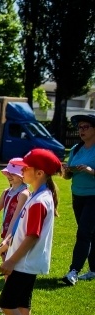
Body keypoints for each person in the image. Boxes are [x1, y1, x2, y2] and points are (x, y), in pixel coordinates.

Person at [0, 148, 61, 315]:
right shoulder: (39, 195)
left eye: (26, 168)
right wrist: (8, 244)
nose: (22, 170)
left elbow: (31, 236)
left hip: (24, 262)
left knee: (7, 304)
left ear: (39, 173)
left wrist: (10, 261)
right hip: (26, 261)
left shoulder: (39, 200)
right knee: (21, 305)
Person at [60, 114, 95, 285]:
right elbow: (67, 177)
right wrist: (66, 170)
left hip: (93, 197)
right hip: (77, 195)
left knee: (83, 233)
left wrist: (90, 170)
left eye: (85, 127)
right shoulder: (75, 148)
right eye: (79, 127)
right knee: (90, 234)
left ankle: (73, 271)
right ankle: (94, 270)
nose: (81, 130)